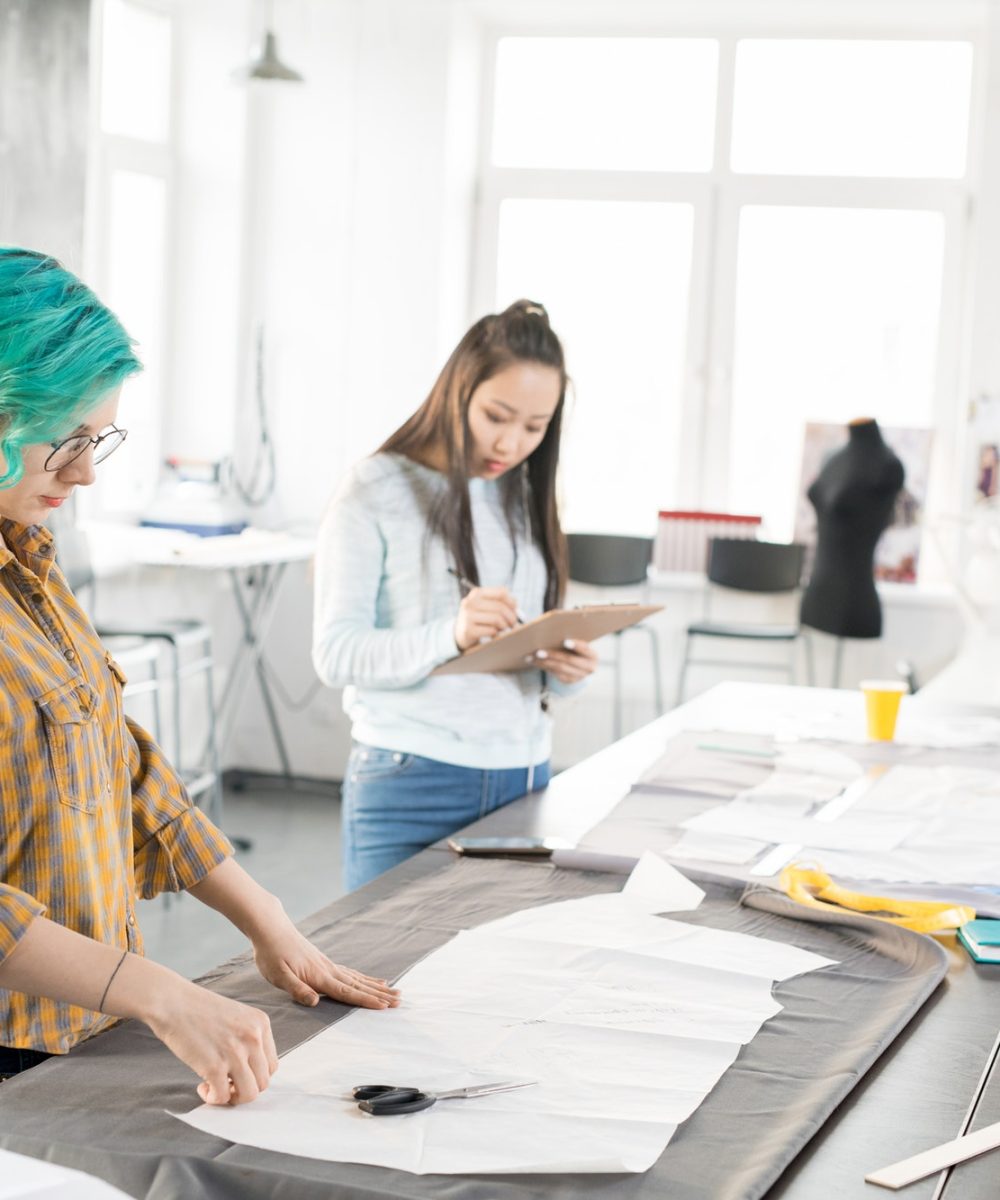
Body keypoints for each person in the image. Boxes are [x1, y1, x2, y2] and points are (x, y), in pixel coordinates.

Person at [0, 248, 398, 1101]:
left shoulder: (26, 557)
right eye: (64, 441)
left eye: (97, 437)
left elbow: (117, 763)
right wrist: (164, 997)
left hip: (75, 1032)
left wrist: (268, 921)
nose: (85, 472)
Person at [313, 300, 597, 891]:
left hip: (523, 778)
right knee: (382, 974)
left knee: (494, 978)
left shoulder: (524, 497)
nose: (512, 442)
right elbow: (336, 654)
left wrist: (565, 670)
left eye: (534, 427)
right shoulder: (377, 488)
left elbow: (522, 653)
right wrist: (451, 634)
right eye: (497, 415)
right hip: (411, 780)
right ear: (458, 391)